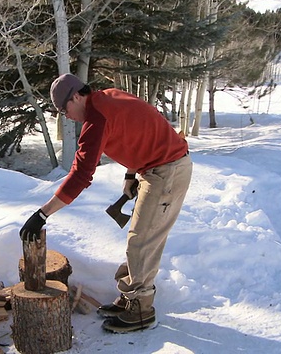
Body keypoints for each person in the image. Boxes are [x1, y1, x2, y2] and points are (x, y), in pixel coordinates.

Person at [19, 73, 192, 333]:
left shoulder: (96, 119)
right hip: (157, 168)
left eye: (63, 108)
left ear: (76, 97)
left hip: (167, 171)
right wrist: (131, 174)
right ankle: (130, 297)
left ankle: (141, 310)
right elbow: (139, 129)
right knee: (138, 238)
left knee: (142, 242)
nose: (65, 115)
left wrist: (42, 214)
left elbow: (81, 174)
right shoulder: (108, 97)